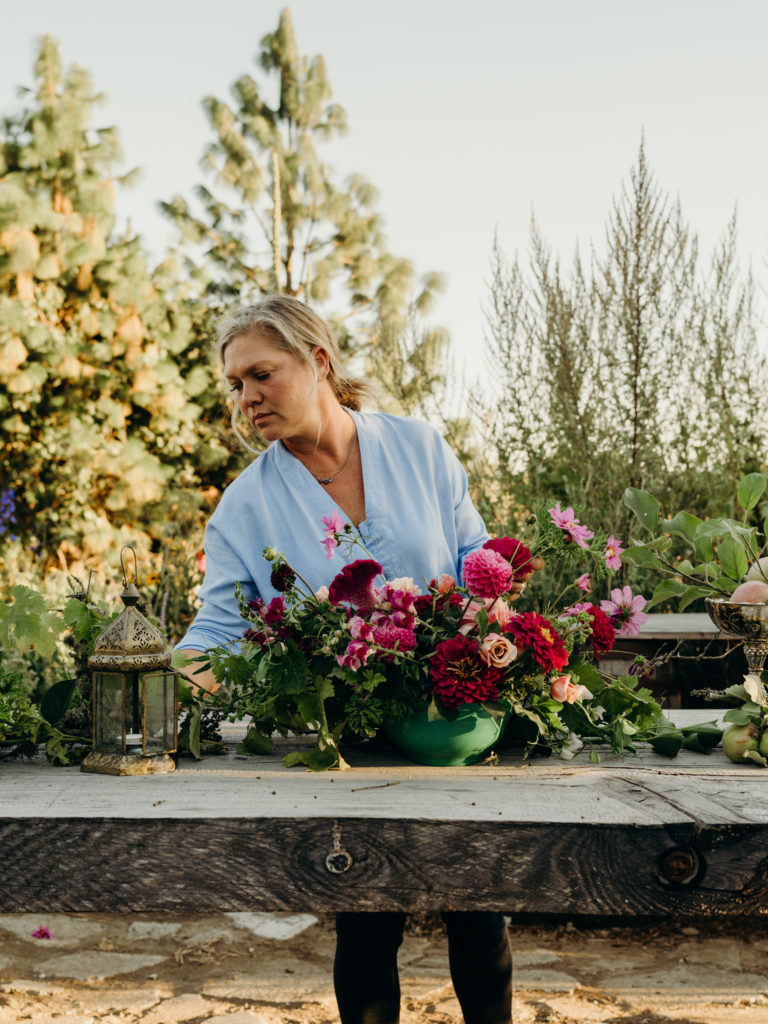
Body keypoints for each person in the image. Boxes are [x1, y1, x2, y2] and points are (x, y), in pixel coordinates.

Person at [177, 294, 513, 1024]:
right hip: (353, 745)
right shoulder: (245, 507)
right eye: (235, 384)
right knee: (365, 921)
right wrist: (149, 684)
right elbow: (219, 629)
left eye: (260, 374)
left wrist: (505, 626)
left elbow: (477, 560)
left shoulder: (420, 449)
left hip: (456, 723)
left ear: (318, 360)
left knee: (479, 914)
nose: (247, 397)